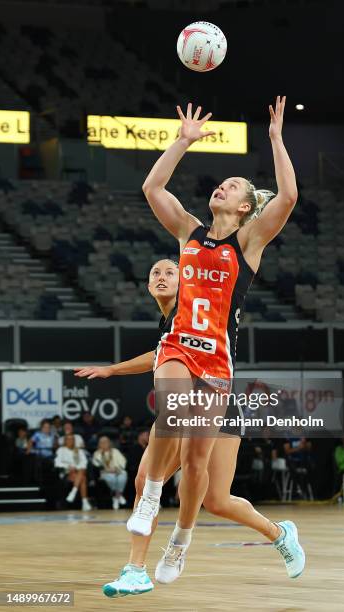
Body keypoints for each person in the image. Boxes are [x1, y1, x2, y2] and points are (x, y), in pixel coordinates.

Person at [126, 97, 305, 582]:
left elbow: (287, 198)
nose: (221, 186)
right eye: (220, 183)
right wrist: (182, 141)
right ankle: (147, 503)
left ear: (245, 206)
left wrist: (275, 139)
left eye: (232, 186)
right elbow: (152, 186)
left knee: (205, 481)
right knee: (169, 405)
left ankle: (183, 541)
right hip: (180, 346)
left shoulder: (248, 243)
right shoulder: (188, 231)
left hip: (218, 362)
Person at [76, 255, 304, 597]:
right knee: (150, 483)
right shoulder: (168, 323)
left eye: (171, 271)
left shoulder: (196, 308)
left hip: (220, 405)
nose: (162, 276)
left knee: (215, 500)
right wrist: (112, 370)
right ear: (149, 285)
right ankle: (136, 570)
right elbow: (157, 355)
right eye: (155, 272)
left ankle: (279, 535)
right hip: (184, 408)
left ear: (186, 282)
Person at [54, 433, 91, 511]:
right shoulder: (61, 450)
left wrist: (76, 467)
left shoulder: (79, 450)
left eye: (72, 439)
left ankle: (73, 491)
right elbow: (57, 463)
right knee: (83, 478)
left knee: (81, 474)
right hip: (66, 472)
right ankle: (84, 501)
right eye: (68, 439)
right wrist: (68, 466)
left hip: (77, 472)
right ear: (65, 441)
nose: (70, 441)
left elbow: (84, 462)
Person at [92, 436, 128, 510]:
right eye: (102, 442)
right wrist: (108, 470)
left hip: (117, 470)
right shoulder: (97, 453)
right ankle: (118, 495)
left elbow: (123, 462)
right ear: (99, 444)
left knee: (123, 475)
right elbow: (96, 464)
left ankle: (116, 496)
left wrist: (116, 469)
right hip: (105, 472)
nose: (104, 444)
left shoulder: (115, 451)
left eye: (106, 442)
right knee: (112, 478)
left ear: (109, 443)